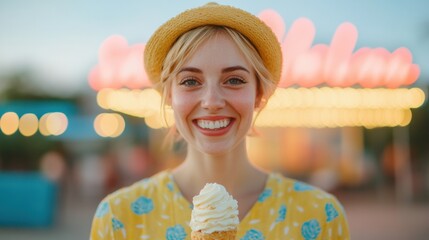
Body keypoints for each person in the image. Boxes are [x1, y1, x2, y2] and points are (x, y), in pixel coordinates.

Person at [90, 3, 350, 239]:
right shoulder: (118, 219)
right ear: (169, 95)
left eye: (234, 80)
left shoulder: (320, 216)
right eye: (190, 81)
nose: (212, 102)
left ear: (258, 94)